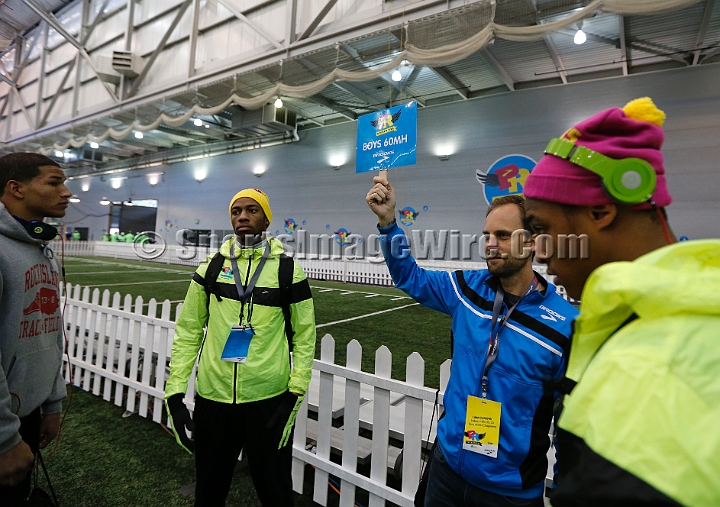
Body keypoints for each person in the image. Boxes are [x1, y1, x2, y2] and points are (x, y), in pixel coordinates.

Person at [522, 97, 720, 507]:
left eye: (541, 228)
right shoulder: (678, 314)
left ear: (600, 211)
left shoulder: (648, 367)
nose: (538, 252)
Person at [366, 184, 579, 506]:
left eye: (504, 235)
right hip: (446, 468)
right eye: (487, 235)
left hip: (509, 493)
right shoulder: (467, 289)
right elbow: (411, 277)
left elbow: (572, 427)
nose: (491, 245)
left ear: (532, 240)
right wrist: (388, 223)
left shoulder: (564, 325)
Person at [164, 188, 316, 507]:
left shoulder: (288, 269)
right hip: (214, 396)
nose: (243, 216)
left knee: (275, 492)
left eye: (252, 210)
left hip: (268, 399)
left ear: (266, 217)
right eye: (236, 211)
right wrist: (175, 391)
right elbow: (189, 328)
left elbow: (304, 334)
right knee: (209, 492)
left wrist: (295, 390)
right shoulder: (212, 266)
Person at [0, 153, 70, 504]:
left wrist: (52, 402)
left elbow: (49, 333)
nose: (67, 192)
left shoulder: (42, 250)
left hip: (26, 414)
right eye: (54, 182)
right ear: (16, 189)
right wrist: (5, 438)